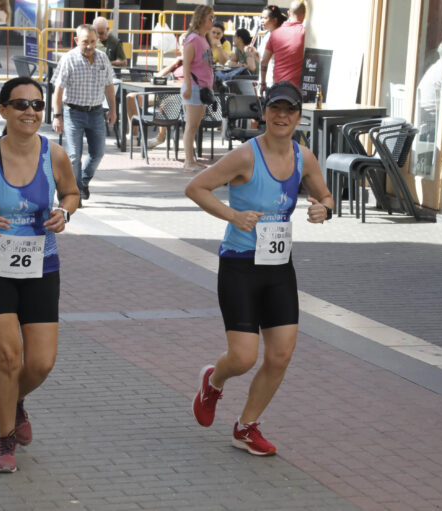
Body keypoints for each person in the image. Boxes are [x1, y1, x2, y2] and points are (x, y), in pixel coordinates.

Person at [185, 81, 334, 456]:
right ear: (264, 112)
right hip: (240, 265)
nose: (282, 116)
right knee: (243, 358)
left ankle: (246, 427)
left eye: (290, 110)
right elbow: (197, 188)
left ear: (300, 116)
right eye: (275, 109)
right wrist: (233, 215)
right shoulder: (245, 156)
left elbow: (325, 195)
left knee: (281, 355)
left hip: (279, 267)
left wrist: (324, 209)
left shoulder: (305, 157)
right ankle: (213, 381)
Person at [0, 76, 80, 473]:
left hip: (41, 265)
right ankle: (5, 438)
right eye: (20, 105)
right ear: (2, 110)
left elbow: (72, 193)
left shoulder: (54, 155)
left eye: (37, 105)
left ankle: (15, 401)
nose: (30, 112)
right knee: (8, 358)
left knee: (40, 363)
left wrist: (66, 212)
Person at [51, 24, 117, 205]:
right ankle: (75, 192)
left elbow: (109, 86)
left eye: (93, 42)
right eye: (85, 42)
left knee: (98, 153)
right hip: (73, 112)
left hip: (96, 112)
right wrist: (57, 116)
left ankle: (83, 182)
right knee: (74, 156)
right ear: (76, 41)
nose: (89, 46)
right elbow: (57, 91)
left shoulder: (103, 58)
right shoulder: (68, 59)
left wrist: (113, 109)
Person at [180, 5, 215, 172]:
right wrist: (187, 85)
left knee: (194, 125)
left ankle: (191, 159)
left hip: (202, 88)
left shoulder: (204, 38)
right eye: (210, 18)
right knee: (191, 125)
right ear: (202, 18)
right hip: (194, 87)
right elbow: (186, 64)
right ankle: (188, 161)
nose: (212, 21)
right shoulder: (193, 39)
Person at [260, 1, 305, 94]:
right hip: (296, 89)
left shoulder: (275, 34)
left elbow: (264, 61)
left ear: (288, 13)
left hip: (278, 87)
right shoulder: (304, 32)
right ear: (304, 15)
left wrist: (263, 84)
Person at [248, 5, 287, 92]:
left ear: (275, 20)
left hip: (272, 82)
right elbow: (262, 61)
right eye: (261, 18)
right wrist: (254, 53)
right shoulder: (267, 35)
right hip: (266, 80)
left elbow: (265, 62)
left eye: (265, 18)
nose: (262, 21)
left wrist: (263, 83)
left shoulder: (279, 36)